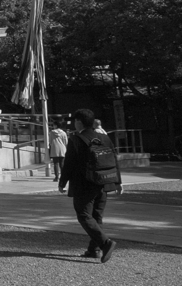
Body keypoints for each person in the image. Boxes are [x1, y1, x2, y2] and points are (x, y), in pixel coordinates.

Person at [59, 108, 123, 263]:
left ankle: (105, 243)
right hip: (105, 181)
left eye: (75, 121)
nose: (75, 123)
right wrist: (118, 181)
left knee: (84, 215)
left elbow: (69, 163)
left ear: (79, 122)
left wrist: (62, 182)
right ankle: (93, 249)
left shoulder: (76, 139)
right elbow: (114, 160)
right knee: (96, 216)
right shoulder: (105, 138)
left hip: (84, 183)